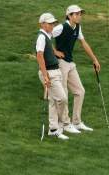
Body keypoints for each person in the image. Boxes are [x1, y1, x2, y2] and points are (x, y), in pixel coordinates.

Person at [52, 5, 101, 133]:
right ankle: (65, 124)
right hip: (60, 63)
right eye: (77, 14)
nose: (79, 16)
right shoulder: (61, 27)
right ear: (69, 15)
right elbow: (45, 37)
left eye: (80, 14)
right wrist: (55, 51)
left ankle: (77, 122)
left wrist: (94, 59)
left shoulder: (77, 27)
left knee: (80, 91)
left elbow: (83, 43)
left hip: (70, 62)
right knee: (64, 94)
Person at [36, 12, 69, 140]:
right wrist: (45, 76)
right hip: (49, 73)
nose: (52, 25)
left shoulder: (47, 36)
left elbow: (47, 50)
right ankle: (61, 124)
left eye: (53, 23)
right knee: (62, 98)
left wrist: (55, 52)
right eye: (50, 23)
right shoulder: (41, 37)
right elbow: (39, 56)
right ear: (42, 24)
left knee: (54, 101)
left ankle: (53, 129)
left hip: (55, 71)